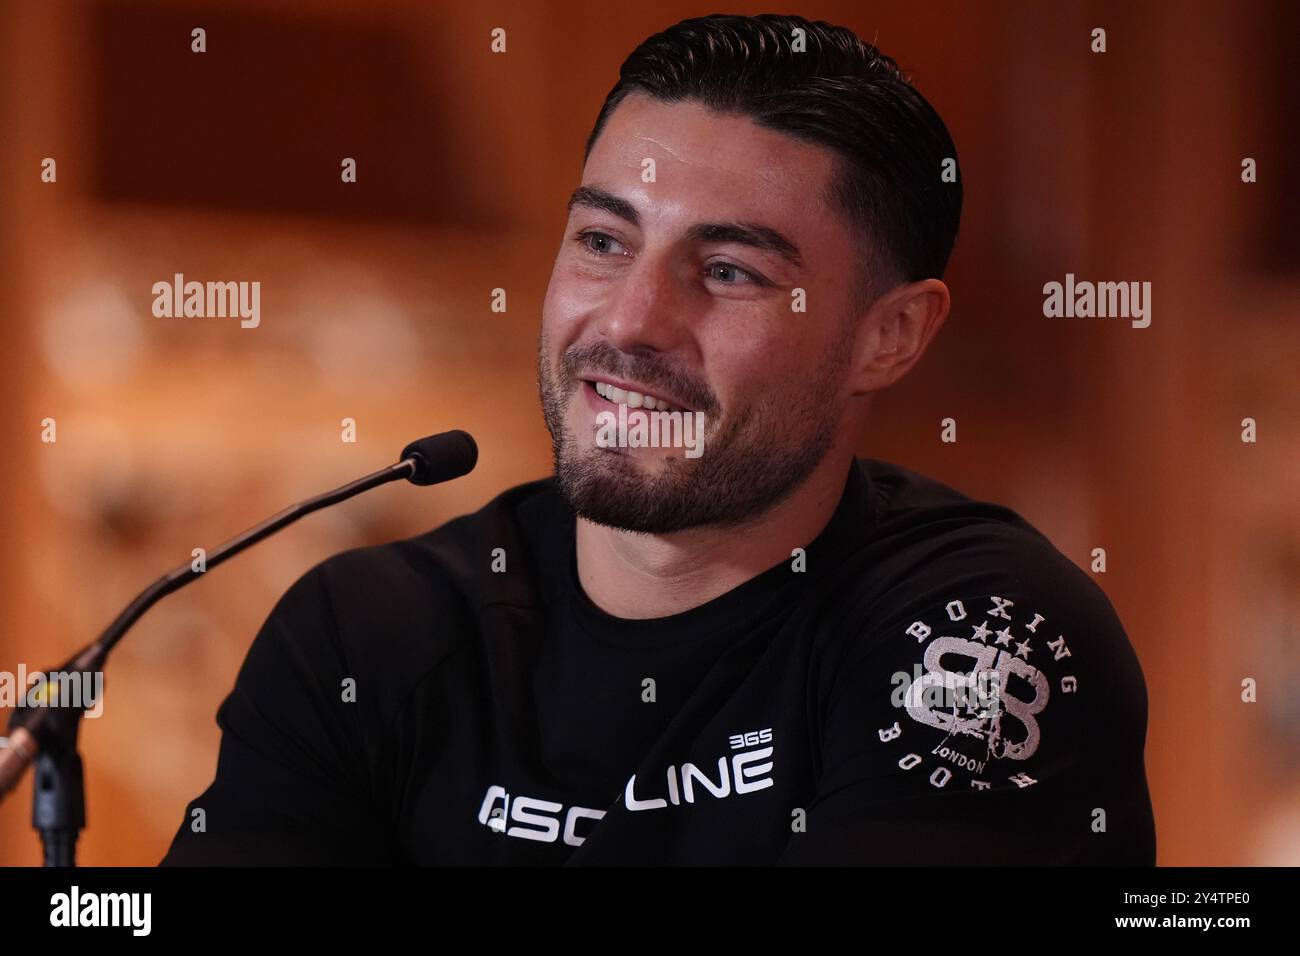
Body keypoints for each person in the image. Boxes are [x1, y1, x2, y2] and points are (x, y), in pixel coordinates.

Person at [162, 13, 1156, 865]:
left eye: (726, 270)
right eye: (602, 242)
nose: (630, 323)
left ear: (886, 335)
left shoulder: (977, 630)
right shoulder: (369, 634)